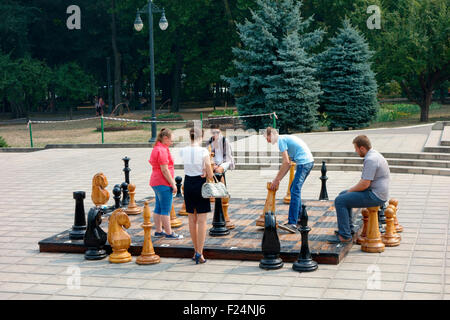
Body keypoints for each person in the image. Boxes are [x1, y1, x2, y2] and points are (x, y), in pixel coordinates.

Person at [328, 135, 390, 244]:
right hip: (377, 192)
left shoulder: (370, 159)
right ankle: (348, 229)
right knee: (342, 194)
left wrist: (350, 190)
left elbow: (364, 184)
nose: (356, 151)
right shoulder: (374, 153)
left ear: (362, 148)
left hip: (375, 195)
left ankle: (345, 236)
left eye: (356, 149)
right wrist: (348, 192)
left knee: (340, 200)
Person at [264, 127, 314, 233]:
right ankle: (299, 218)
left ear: (271, 135)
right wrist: (278, 179)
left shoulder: (281, 140)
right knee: (294, 189)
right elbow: (288, 164)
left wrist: (276, 180)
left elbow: (286, 163)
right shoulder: (284, 138)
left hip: (304, 163)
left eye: (267, 138)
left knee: (295, 190)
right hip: (307, 162)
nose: (267, 141)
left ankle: (292, 223)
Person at [180, 127, 214, 264]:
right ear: (201, 137)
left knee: (191, 220)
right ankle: (200, 252)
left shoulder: (185, 150)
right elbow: (210, 174)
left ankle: (195, 251)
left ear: (190, 137)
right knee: (202, 221)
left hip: (187, 183)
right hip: (200, 185)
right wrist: (207, 171)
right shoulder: (203, 151)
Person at [149, 128, 183, 240]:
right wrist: (173, 184)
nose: (172, 142)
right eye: (171, 140)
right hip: (163, 182)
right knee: (165, 209)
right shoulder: (162, 150)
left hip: (155, 181)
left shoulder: (157, 148)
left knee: (158, 207)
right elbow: (165, 170)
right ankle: (169, 233)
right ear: (165, 138)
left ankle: (159, 230)